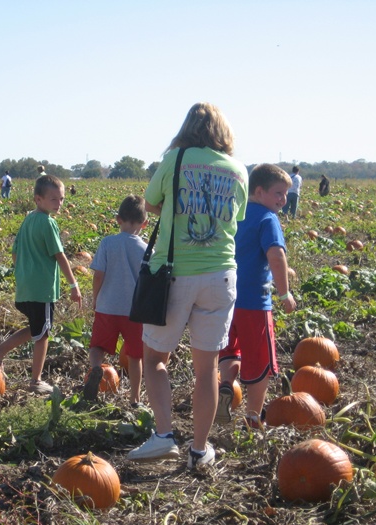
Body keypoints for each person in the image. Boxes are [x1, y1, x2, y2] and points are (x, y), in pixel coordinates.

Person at [126, 102, 248, 469]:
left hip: (174, 275)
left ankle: (164, 436)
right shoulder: (239, 170)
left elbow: (149, 204)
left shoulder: (176, 160)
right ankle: (199, 450)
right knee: (206, 368)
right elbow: (235, 218)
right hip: (221, 276)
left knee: (155, 358)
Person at [217, 164, 297, 430]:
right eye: (278, 193)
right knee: (260, 360)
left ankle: (226, 385)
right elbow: (276, 255)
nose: (283, 200)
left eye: (286, 194)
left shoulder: (234, 214)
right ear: (259, 191)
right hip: (255, 302)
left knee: (230, 350)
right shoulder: (268, 218)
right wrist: (284, 292)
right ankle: (253, 416)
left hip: (225, 298)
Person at [0, 175, 82, 394]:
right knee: (44, 334)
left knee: (37, 328)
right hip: (42, 290)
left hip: (26, 287)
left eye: (62, 199)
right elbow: (60, 256)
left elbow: (15, 251)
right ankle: (36, 380)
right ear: (38, 199)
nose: (59, 204)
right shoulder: (48, 223)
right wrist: (73, 285)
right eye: (54, 199)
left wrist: (23, 273)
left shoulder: (28, 220)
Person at [83, 195, 148, 407]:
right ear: (144, 223)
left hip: (107, 307)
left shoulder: (108, 243)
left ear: (118, 219)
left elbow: (98, 274)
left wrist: (96, 297)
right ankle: (135, 398)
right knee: (135, 356)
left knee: (98, 346)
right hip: (135, 312)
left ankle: (95, 368)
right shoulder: (147, 249)